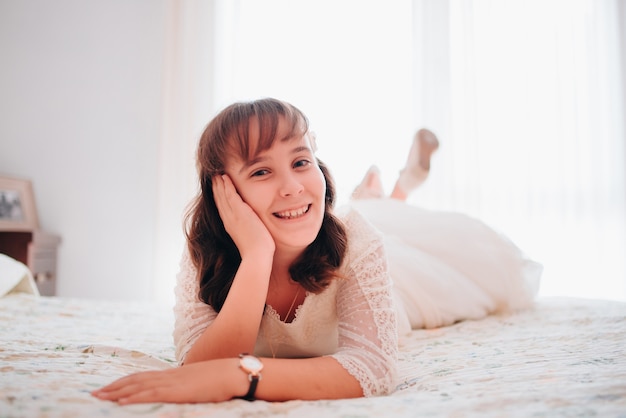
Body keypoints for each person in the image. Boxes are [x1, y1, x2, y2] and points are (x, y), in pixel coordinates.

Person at [92, 98, 540, 404]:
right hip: (300, 235)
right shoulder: (205, 251)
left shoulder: (357, 241)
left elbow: (373, 367)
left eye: (301, 162)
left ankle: (391, 193)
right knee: (356, 213)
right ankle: (387, 191)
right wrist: (256, 257)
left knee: (422, 247)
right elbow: (197, 367)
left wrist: (243, 375)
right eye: (261, 171)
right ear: (224, 193)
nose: (291, 185)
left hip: (399, 285)